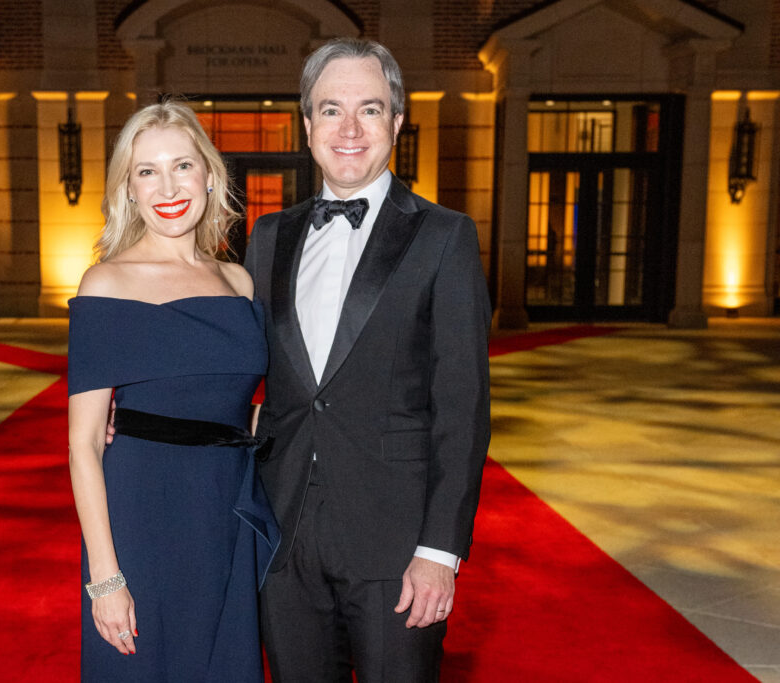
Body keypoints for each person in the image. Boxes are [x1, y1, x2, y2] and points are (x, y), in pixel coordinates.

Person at [244, 38, 491, 681]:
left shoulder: (444, 236)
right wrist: (137, 416)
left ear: (397, 123)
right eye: (330, 110)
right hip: (284, 533)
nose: (349, 128)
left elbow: (461, 409)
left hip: (398, 543)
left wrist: (440, 550)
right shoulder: (268, 237)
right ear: (307, 126)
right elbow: (240, 370)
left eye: (370, 109)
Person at [67, 100, 278, 682]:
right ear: (127, 189)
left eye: (182, 166)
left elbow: (236, 401)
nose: (168, 186)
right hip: (143, 511)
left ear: (210, 175)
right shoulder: (106, 283)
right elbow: (83, 444)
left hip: (226, 507)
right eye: (147, 171)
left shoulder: (237, 281)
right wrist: (106, 578)